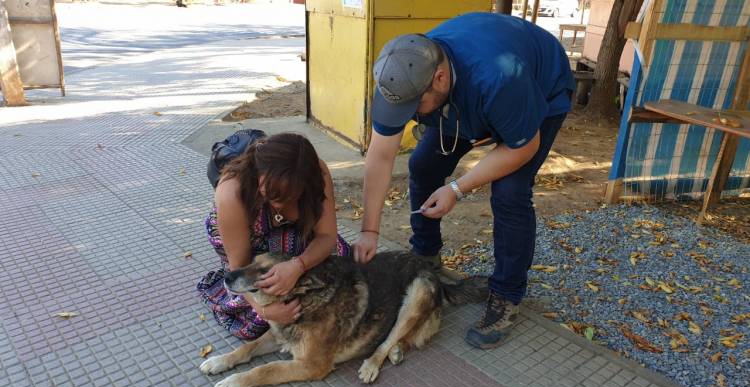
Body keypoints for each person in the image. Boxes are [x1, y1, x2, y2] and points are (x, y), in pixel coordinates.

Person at [352, 12, 575, 349]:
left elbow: (522, 147)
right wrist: (369, 230)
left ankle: (506, 295)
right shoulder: (400, 79)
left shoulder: (497, 79)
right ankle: (426, 256)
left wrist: (457, 188)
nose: (410, 114)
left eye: (416, 107)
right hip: (468, 98)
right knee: (424, 165)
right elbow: (380, 157)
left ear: (439, 78)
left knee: (509, 193)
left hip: (536, 91)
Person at [198, 132, 350, 339]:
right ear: (257, 175)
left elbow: (327, 236)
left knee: (342, 262)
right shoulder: (231, 192)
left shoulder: (317, 174)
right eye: (270, 194)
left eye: (290, 196)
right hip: (247, 245)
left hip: (288, 238)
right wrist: (264, 311)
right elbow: (240, 267)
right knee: (257, 323)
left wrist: (298, 266)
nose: (278, 204)